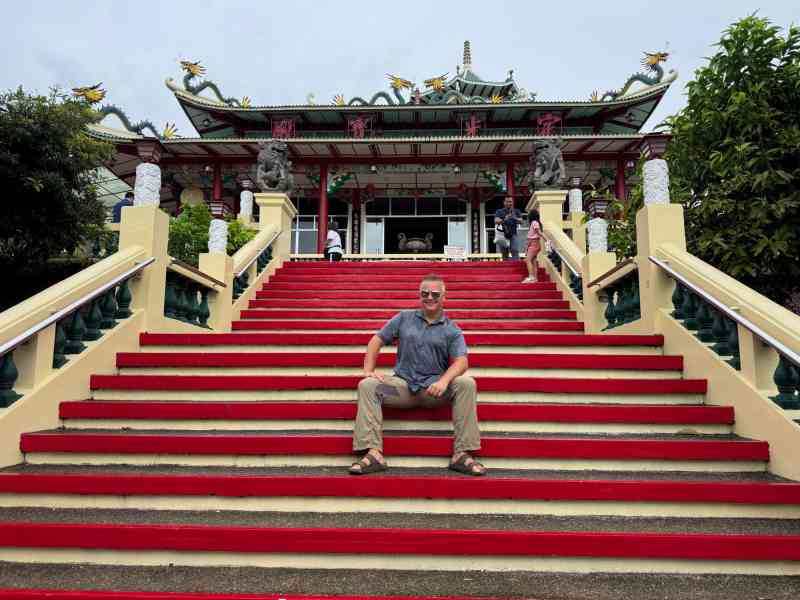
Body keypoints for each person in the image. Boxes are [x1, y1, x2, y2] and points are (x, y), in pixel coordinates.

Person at [350, 273, 485, 476]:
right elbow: (376, 340)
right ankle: (374, 452)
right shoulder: (404, 318)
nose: (429, 297)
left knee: (466, 383)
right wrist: (369, 371)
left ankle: (462, 453)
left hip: (433, 392)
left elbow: (462, 361)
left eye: (435, 294)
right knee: (367, 385)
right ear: (419, 295)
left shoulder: (452, 330)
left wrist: (444, 381)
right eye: (425, 293)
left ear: (444, 297)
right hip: (402, 389)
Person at [522, 209, 543, 283]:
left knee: (528, 260)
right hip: (534, 244)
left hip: (534, 244)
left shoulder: (534, 222)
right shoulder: (535, 223)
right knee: (533, 261)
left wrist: (547, 239)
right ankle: (535, 278)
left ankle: (531, 277)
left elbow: (539, 232)